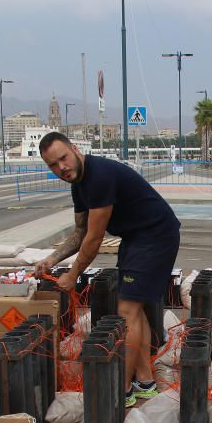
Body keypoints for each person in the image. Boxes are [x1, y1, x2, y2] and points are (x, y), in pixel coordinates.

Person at [34, 132, 181, 407]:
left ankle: (122, 390)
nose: (61, 167)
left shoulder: (98, 176)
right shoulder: (78, 184)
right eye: (53, 165)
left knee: (126, 312)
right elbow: (79, 232)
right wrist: (52, 259)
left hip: (155, 235)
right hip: (136, 237)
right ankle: (145, 381)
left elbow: (93, 239)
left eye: (63, 158)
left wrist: (73, 274)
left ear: (75, 149)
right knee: (133, 309)